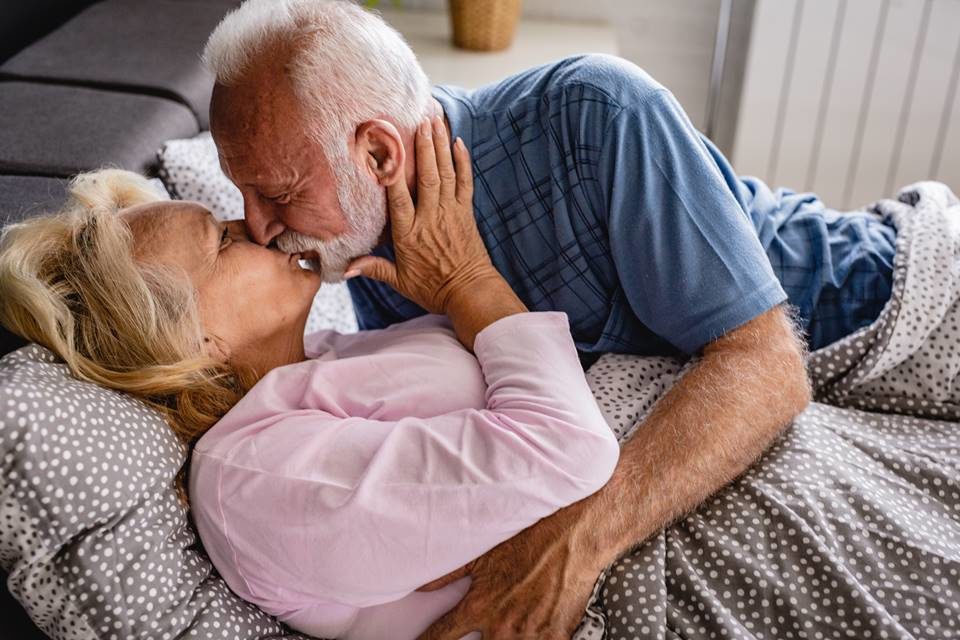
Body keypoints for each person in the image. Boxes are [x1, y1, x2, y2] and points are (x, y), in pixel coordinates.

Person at [202, 1, 817, 636]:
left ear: (381, 156)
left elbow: (767, 365)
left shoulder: (598, 111)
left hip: (848, 289)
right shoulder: (366, 240)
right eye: (242, 193)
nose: (257, 227)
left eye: (277, 194)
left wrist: (580, 540)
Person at [0, 129, 620, 639]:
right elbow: (566, 444)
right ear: (192, 342)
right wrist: (468, 282)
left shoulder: (317, 360)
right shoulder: (255, 478)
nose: (257, 225)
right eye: (222, 239)